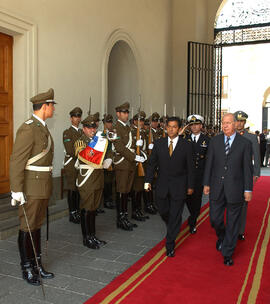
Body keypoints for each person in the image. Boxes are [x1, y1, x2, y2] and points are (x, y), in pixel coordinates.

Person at [9, 88, 56, 286]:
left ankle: (37, 264)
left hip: (42, 185)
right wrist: (16, 189)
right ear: (44, 106)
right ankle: (26, 267)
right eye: (52, 105)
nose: (53, 108)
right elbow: (17, 160)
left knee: (36, 226)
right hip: (31, 186)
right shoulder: (29, 128)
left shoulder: (42, 127)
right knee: (27, 227)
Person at [203, 113, 253, 266]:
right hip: (217, 187)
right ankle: (222, 236)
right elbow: (209, 163)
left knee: (233, 223)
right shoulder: (215, 141)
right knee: (215, 220)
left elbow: (247, 169)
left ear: (235, 124)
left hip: (236, 189)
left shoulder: (244, 143)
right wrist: (206, 183)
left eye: (228, 123)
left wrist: (248, 189)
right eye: (223, 123)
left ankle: (227, 252)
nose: (225, 125)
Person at [145, 116, 194, 257]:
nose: (171, 129)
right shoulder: (159, 143)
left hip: (179, 186)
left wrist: (190, 185)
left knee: (175, 213)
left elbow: (191, 168)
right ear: (166, 128)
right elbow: (152, 164)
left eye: (174, 127)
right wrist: (147, 181)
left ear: (179, 129)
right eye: (169, 126)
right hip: (162, 185)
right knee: (164, 211)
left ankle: (170, 243)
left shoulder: (186, 145)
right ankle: (173, 224)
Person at [74, 114, 113, 249]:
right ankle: (87, 238)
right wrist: (97, 146)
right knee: (86, 208)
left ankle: (93, 235)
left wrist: (109, 158)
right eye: (89, 128)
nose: (92, 130)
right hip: (87, 178)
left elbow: (107, 151)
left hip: (98, 177)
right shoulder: (80, 141)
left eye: (94, 127)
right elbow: (84, 155)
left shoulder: (100, 140)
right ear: (83, 128)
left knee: (93, 209)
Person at [113, 102, 146, 231]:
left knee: (127, 191)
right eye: (124, 112)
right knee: (121, 191)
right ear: (118, 114)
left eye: (127, 112)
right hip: (122, 164)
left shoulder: (127, 128)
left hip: (130, 164)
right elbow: (120, 147)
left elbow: (130, 146)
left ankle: (125, 217)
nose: (126, 115)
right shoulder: (116, 128)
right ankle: (120, 219)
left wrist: (138, 146)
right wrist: (134, 157)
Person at [234, 111, 260, 241]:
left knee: (243, 204)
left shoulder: (251, 137)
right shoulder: (226, 135)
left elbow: (256, 155)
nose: (239, 124)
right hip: (229, 174)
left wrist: (256, 173)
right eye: (237, 121)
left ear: (244, 122)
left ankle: (240, 231)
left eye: (241, 121)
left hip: (245, 174)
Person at [185, 114, 210, 234]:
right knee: (188, 199)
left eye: (197, 124)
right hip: (187, 175)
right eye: (192, 125)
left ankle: (193, 221)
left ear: (201, 126)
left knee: (197, 200)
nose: (194, 127)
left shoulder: (207, 140)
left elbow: (209, 160)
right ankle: (192, 215)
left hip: (200, 175)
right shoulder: (184, 139)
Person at [63, 107, 83, 224]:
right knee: (72, 187)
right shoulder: (67, 133)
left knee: (79, 188)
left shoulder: (81, 132)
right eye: (75, 116)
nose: (78, 119)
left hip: (80, 163)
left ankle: (78, 210)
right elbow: (70, 150)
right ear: (71, 119)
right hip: (71, 163)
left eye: (79, 116)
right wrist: (82, 153)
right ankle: (72, 213)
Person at [130, 111, 149, 221]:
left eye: (142, 120)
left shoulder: (143, 132)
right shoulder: (132, 132)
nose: (141, 122)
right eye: (139, 120)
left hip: (142, 161)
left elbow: (144, 148)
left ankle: (138, 210)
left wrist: (144, 156)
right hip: (136, 163)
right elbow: (131, 148)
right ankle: (135, 211)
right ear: (134, 121)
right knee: (136, 188)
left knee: (141, 187)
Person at [102, 114, 115, 209]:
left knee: (111, 180)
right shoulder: (101, 134)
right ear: (104, 123)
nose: (110, 124)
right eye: (108, 122)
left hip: (113, 160)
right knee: (106, 181)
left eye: (111, 122)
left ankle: (110, 199)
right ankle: (106, 200)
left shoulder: (114, 133)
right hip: (105, 160)